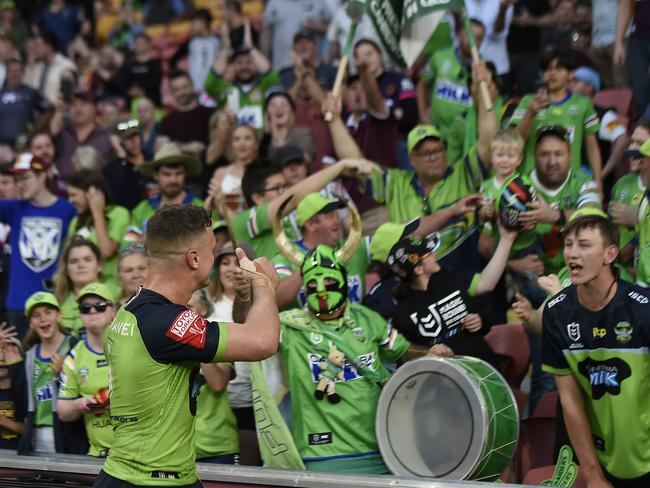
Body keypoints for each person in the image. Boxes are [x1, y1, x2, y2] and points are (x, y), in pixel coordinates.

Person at [93, 204, 280, 488]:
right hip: (147, 482)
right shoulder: (165, 322)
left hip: (143, 475)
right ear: (194, 258)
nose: (215, 259)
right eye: (212, 251)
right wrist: (265, 286)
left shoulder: (131, 309)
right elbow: (263, 342)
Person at [272, 244, 411, 473]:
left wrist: (435, 354)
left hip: (383, 453)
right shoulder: (289, 325)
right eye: (313, 284)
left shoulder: (367, 319)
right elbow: (248, 323)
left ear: (345, 281)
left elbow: (403, 351)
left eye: (329, 283)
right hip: (322, 458)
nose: (322, 291)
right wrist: (258, 291)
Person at [541, 211, 650, 487]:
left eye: (584, 245)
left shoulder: (643, 310)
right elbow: (570, 399)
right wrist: (591, 474)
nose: (572, 254)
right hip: (598, 456)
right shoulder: (556, 313)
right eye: (568, 245)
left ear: (610, 254)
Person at [363, 60, 496, 273]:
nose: (433, 157)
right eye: (425, 153)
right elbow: (354, 164)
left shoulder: (465, 175)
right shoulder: (395, 183)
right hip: (415, 285)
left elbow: (488, 141)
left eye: (437, 150)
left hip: (464, 282)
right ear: (411, 159)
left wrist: (482, 90)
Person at [372, 220, 517, 367]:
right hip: (445, 380)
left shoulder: (449, 278)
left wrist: (480, 320)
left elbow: (482, 308)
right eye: (428, 254)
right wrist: (427, 352)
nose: (434, 254)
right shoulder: (401, 312)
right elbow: (404, 354)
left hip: (483, 365)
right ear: (418, 270)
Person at [229, 157, 374, 260]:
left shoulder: (286, 221)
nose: (284, 192)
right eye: (278, 188)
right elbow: (291, 200)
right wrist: (340, 166)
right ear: (257, 197)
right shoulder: (243, 221)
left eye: (285, 187)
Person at [0, 153, 76, 339]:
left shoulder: (67, 210)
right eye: (17, 179)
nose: (20, 184)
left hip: (54, 302)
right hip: (18, 303)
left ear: (43, 176)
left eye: (25, 177)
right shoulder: (13, 208)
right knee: (18, 364)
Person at [509, 50, 602, 182]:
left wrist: (598, 182)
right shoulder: (528, 101)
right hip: (531, 180)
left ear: (571, 74)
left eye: (558, 68)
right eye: (547, 69)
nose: (552, 73)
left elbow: (592, 147)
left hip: (570, 183)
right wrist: (530, 113)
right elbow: (515, 143)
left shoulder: (583, 104)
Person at [18, 291, 81, 455]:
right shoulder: (30, 355)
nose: (43, 319)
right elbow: (23, 401)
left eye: (48, 312)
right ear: (31, 323)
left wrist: (65, 374)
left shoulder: (76, 346)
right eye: (36, 315)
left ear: (59, 315)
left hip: (68, 436)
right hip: (36, 437)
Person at [57, 282, 116, 458]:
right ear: (80, 315)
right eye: (85, 307)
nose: (92, 311)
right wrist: (79, 404)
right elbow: (63, 412)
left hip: (138, 453)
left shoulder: (130, 347)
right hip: (98, 455)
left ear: (113, 311)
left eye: (99, 306)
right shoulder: (73, 358)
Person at [187, 289, 239, 465]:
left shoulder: (219, 337)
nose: (182, 314)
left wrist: (194, 341)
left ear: (203, 309)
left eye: (188, 307)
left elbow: (218, 383)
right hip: (179, 448)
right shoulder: (165, 344)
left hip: (217, 446)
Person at [416, 19, 486, 138]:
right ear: (459, 34)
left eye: (478, 38)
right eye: (469, 35)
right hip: (436, 130)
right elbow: (422, 85)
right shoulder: (439, 57)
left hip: (465, 135)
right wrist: (423, 115)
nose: (472, 41)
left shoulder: (484, 68)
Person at [66, 171, 129, 294]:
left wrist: (97, 212)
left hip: (112, 290)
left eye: (74, 195)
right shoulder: (76, 221)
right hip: (82, 290)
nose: (70, 200)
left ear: (91, 194)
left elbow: (106, 251)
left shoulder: (119, 213)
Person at [570, 67, 629, 185]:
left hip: (588, 185)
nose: (570, 85)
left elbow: (623, 140)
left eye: (575, 82)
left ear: (589, 88)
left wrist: (600, 176)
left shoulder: (605, 116)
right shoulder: (567, 113)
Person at [204, 40, 278, 131]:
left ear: (256, 64)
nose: (244, 67)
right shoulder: (226, 88)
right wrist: (226, 49)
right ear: (233, 66)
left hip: (261, 142)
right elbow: (210, 85)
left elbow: (273, 77)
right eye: (239, 62)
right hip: (233, 141)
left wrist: (251, 49)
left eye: (249, 62)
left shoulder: (263, 86)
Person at [131, 142, 204, 233]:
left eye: (178, 173)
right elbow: (129, 247)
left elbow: (215, 244)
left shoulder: (203, 208)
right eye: (166, 174)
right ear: (155, 175)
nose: (173, 180)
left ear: (185, 174)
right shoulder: (141, 210)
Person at [609, 120, 649, 270]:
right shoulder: (622, 183)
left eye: (640, 143)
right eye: (632, 142)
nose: (632, 148)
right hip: (618, 268)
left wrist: (636, 221)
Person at [49, 87, 114, 178]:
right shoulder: (64, 132)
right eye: (73, 105)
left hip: (93, 189)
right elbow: (53, 134)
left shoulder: (105, 136)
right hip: (62, 188)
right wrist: (60, 110)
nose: (78, 109)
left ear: (94, 108)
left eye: (83, 104)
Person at [159, 70, 214, 164]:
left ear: (192, 86)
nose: (181, 92)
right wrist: (186, 148)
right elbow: (161, 147)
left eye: (185, 87)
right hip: (179, 174)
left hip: (210, 168)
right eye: (176, 89)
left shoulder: (210, 113)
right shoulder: (167, 120)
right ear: (172, 93)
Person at [261, 0, 331, 70]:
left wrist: (319, 26)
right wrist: (265, 62)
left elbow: (333, 30)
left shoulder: (318, 2)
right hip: (282, 67)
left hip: (313, 67)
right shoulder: (274, 3)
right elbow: (266, 36)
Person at [103, 117, 155, 211]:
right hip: (128, 219)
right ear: (118, 141)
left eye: (135, 136)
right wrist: (121, 155)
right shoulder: (112, 169)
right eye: (127, 138)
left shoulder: (153, 159)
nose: (134, 141)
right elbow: (115, 198)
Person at [53, 238, 103, 334]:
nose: (81, 265)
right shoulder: (55, 304)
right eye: (74, 261)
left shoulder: (115, 298)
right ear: (66, 270)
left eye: (87, 259)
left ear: (99, 265)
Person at [207, 123, 259, 213]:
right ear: (232, 145)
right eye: (236, 139)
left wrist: (223, 199)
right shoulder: (221, 172)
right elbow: (208, 207)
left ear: (256, 144)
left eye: (247, 138)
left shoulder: (264, 172)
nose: (242, 144)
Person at [0, 57, 48, 147]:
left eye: (17, 71)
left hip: (24, 144)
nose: (14, 74)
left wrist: (34, 131)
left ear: (23, 73)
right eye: (11, 71)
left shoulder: (31, 92)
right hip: (1, 146)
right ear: (6, 73)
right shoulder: (0, 94)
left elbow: (47, 110)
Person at [170, 9, 221, 94]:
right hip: (196, 89)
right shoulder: (191, 42)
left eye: (193, 23)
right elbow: (173, 60)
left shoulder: (217, 40)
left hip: (215, 86)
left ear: (203, 23)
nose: (191, 27)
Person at [614, 0, 650, 116]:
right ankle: (643, 127)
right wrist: (619, 43)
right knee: (640, 91)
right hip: (639, 40)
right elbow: (625, 7)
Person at [22, 30, 76, 104]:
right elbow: (27, 89)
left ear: (49, 46)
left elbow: (68, 97)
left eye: (38, 45)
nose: (35, 49)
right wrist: (30, 67)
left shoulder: (65, 66)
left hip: (57, 110)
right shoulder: (37, 67)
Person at [260, 91, 315, 163]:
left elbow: (305, 160)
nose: (278, 109)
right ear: (267, 113)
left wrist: (276, 134)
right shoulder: (260, 139)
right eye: (273, 106)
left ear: (291, 112)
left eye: (283, 105)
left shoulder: (303, 134)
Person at [114, 33, 162, 107]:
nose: (139, 46)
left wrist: (142, 91)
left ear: (149, 44)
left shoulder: (155, 63)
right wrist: (130, 91)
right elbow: (121, 82)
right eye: (137, 43)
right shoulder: (128, 64)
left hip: (152, 102)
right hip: (132, 104)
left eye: (142, 43)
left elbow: (156, 82)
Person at [0, 324, 27, 451]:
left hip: (18, 462)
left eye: (7, 352)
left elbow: (30, 430)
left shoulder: (24, 391)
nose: (2, 358)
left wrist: (3, 421)